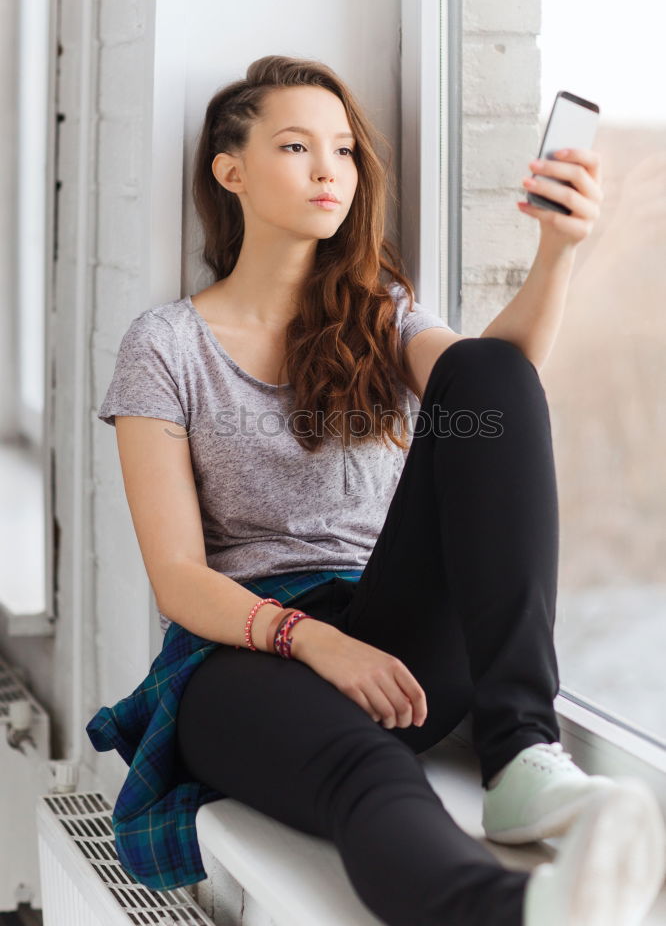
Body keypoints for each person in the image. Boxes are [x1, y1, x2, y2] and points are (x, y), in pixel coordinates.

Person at [87, 55, 665, 925]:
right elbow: (179, 580)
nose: (331, 170)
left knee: (485, 368)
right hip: (243, 658)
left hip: (395, 634)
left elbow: (494, 392)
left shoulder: (380, 313)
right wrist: (316, 643)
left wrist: (557, 251)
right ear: (230, 169)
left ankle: (521, 755)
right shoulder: (165, 345)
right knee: (372, 776)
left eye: (346, 151)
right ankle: (520, 915)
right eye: (296, 146)